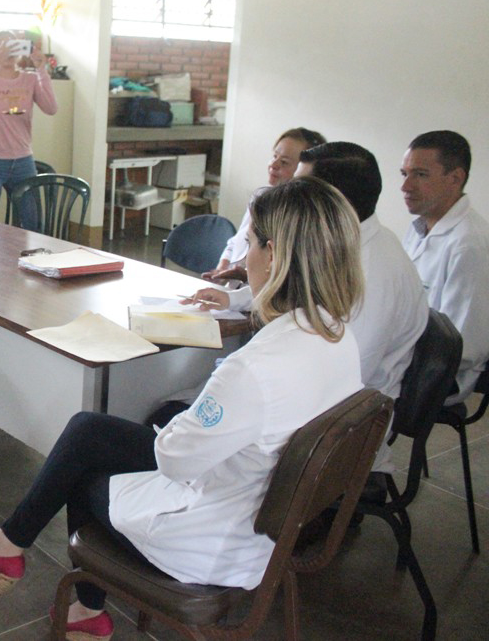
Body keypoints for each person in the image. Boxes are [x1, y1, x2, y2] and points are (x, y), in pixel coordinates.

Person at [0, 177, 364, 641]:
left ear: (275, 256)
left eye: (253, 245)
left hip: (212, 541)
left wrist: (186, 419)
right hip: (267, 524)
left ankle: (77, 603)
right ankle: (14, 550)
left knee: (81, 469)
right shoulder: (337, 337)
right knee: (88, 431)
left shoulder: (253, 370)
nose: (246, 259)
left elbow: (174, 460)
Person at [188, 143, 428, 472]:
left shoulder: (372, 273)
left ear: (330, 200)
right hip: (306, 411)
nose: (289, 193)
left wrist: (242, 387)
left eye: (301, 187)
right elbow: (298, 286)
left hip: (328, 438)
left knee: (179, 425)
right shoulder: (345, 245)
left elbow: (341, 377)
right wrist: (237, 298)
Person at [400, 130, 489, 404]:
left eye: (420, 174)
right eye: (404, 174)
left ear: (455, 178)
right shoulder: (419, 227)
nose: (405, 186)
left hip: (439, 376)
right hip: (407, 354)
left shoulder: (469, 244)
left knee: (349, 388)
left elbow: (463, 348)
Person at [203, 127, 325, 283]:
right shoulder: (260, 197)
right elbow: (238, 241)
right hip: (234, 292)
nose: (273, 164)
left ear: (305, 170)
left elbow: (289, 279)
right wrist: (222, 268)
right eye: (274, 156)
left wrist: (246, 276)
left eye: (284, 162)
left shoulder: (303, 217)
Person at [0, 30, 57, 228]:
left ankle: (25, 260)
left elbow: (51, 108)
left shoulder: (30, 79)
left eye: (12, 45)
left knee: (33, 225)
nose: (7, 50)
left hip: (22, 162)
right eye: (1, 46)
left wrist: (41, 68)